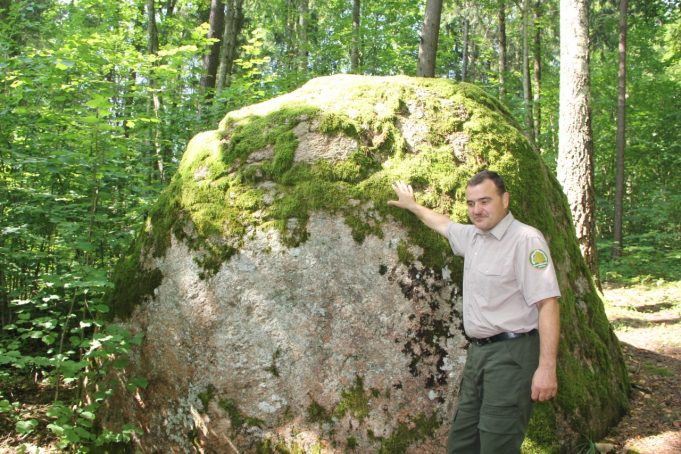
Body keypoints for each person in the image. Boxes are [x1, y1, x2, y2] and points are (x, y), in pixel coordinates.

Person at [388, 170, 561, 453]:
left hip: (512, 356)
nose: (477, 210)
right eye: (471, 204)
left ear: (504, 200)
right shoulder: (474, 237)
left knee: (497, 444)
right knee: (463, 441)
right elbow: (444, 225)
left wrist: (547, 368)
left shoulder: (526, 240)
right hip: (479, 354)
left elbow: (548, 304)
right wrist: (413, 205)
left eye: (485, 201)